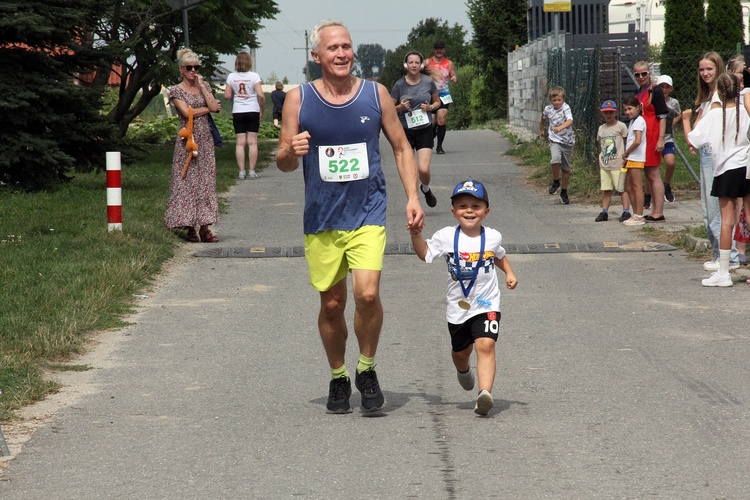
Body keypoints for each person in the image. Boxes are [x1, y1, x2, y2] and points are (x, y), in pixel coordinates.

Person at [276, 20, 425, 414]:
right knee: (331, 305)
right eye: (333, 48)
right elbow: (283, 163)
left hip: (368, 213)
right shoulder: (298, 99)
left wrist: (413, 196)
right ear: (317, 56)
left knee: (368, 294)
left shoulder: (375, 95)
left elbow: (401, 147)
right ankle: (339, 375)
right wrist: (293, 149)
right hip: (322, 217)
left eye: (346, 46)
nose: (341, 54)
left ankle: (368, 367)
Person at [409, 178, 518, 416]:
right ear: (453, 212)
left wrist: (509, 272)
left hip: (486, 302)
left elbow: (498, 255)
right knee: (461, 352)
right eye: (463, 206)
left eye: (476, 206)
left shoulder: (492, 236)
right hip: (458, 307)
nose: (469, 211)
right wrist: (416, 235)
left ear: (486, 212)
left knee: (486, 344)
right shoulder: (446, 236)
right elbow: (425, 254)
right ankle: (462, 370)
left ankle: (484, 394)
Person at [686, 73, 750, 287]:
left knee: (727, 221)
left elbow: (693, 138)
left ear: (719, 93)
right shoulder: (745, 110)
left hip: (725, 169)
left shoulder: (714, 115)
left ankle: (723, 272)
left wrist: (686, 120)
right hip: (746, 166)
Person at [164, 48, 222, 243]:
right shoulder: (175, 90)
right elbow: (186, 112)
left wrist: (202, 86)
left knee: (205, 182)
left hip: (204, 139)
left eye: (196, 67)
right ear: (181, 69)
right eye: (189, 67)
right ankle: (189, 226)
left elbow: (215, 108)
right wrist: (206, 109)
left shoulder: (203, 85)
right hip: (186, 140)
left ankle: (205, 228)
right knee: (186, 181)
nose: (193, 70)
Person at [391, 50, 441, 208]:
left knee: (423, 169)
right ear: (406, 65)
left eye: (416, 63)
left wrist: (430, 107)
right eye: (411, 62)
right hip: (405, 130)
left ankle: (425, 189)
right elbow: (389, 108)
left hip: (425, 129)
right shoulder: (399, 85)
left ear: (421, 65)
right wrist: (400, 107)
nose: (414, 65)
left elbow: (438, 102)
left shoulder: (428, 82)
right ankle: (413, 200)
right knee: (409, 169)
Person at [632, 61, 667, 222]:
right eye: (637, 74)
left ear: (649, 73)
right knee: (648, 175)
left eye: (644, 74)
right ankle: (654, 209)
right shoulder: (639, 92)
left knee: (653, 174)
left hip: (653, 137)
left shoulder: (656, 91)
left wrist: (661, 139)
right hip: (642, 138)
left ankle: (658, 211)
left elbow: (662, 116)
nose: (641, 77)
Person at [224, 51, 265, 180]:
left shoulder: (231, 77)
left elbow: (227, 96)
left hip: (238, 111)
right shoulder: (254, 76)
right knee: (252, 142)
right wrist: (261, 110)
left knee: (240, 143)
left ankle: (241, 172)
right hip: (253, 110)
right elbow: (261, 95)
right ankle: (252, 171)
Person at [595, 100, 631, 222]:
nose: (608, 115)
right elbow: (600, 143)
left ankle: (626, 211)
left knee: (622, 188)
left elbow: (626, 142)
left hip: (617, 163)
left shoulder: (621, 126)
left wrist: (626, 156)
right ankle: (604, 211)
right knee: (606, 189)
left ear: (615, 112)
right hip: (605, 164)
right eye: (606, 113)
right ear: (602, 114)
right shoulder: (601, 128)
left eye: (611, 112)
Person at [538, 86, 575, 205]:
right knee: (555, 159)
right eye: (554, 101)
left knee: (565, 169)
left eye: (559, 100)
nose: (557, 103)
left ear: (563, 99)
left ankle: (564, 192)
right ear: (550, 101)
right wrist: (541, 129)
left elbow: (570, 121)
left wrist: (560, 127)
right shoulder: (548, 109)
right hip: (555, 139)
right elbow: (543, 118)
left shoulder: (566, 108)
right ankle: (555, 182)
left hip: (567, 141)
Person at [424, 40, 457, 155]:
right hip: (430, 95)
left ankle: (439, 146)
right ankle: (430, 140)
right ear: (433, 50)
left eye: (441, 48)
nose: (439, 50)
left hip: (444, 94)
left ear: (444, 50)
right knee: (432, 122)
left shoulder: (449, 63)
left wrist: (454, 79)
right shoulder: (427, 62)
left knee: (441, 119)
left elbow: (453, 76)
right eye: (437, 48)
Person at [621, 96, 647, 226]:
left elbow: (637, 140)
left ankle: (639, 215)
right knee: (628, 187)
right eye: (625, 110)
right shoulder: (633, 121)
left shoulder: (639, 121)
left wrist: (626, 152)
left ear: (638, 108)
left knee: (636, 187)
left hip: (636, 157)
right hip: (631, 158)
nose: (627, 112)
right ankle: (635, 213)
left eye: (630, 109)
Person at [655, 75, 681, 203]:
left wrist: (672, 122)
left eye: (667, 87)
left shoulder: (673, 102)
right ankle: (649, 195)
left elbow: (678, 113)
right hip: (654, 138)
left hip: (667, 138)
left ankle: (666, 184)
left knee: (670, 162)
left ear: (671, 89)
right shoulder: (653, 100)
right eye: (661, 87)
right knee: (653, 168)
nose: (664, 90)